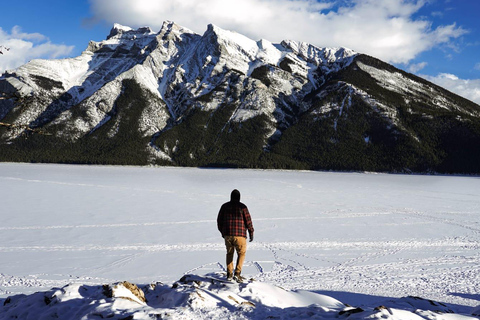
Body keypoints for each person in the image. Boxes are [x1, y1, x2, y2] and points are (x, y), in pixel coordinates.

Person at [217, 189, 254, 282]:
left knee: (229, 253)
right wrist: (251, 232)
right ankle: (237, 273)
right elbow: (248, 221)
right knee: (241, 253)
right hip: (240, 235)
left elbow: (219, 220)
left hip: (228, 234)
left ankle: (229, 274)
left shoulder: (224, 206)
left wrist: (223, 232)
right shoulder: (243, 207)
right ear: (239, 197)